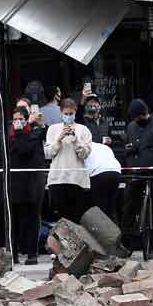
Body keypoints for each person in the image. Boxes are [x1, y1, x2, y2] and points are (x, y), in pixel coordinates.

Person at [123, 99, 153, 259]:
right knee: (129, 204)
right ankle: (127, 242)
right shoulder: (131, 127)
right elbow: (130, 146)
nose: (137, 120)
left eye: (139, 117)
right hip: (136, 171)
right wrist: (129, 150)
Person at [7, 106, 47, 265]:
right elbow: (13, 151)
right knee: (14, 220)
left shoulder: (34, 133)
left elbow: (26, 148)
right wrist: (17, 133)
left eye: (21, 119)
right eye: (15, 119)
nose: (18, 122)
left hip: (31, 182)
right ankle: (14, 253)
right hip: (15, 182)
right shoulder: (10, 135)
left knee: (32, 218)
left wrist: (22, 131)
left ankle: (32, 253)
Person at [44, 98, 92, 223]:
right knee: (60, 219)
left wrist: (76, 139)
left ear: (75, 112)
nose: (68, 116)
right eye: (66, 114)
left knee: (76, 218)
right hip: (58, 179)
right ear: (61, 113)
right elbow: (48, 154)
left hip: (77, 180)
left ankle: (75, 243)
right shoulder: (53, 129)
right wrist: (59, 139)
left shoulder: (83, 129)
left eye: (71, 114)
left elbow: (85, 154)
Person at [87, 141, 122, 224]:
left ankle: (102, 233)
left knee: (99, 206)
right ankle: (115, 232)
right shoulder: (104, 147)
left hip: (99, 173)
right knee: (111, 206)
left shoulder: (84, 147)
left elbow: (85, 168)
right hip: (115, 172)